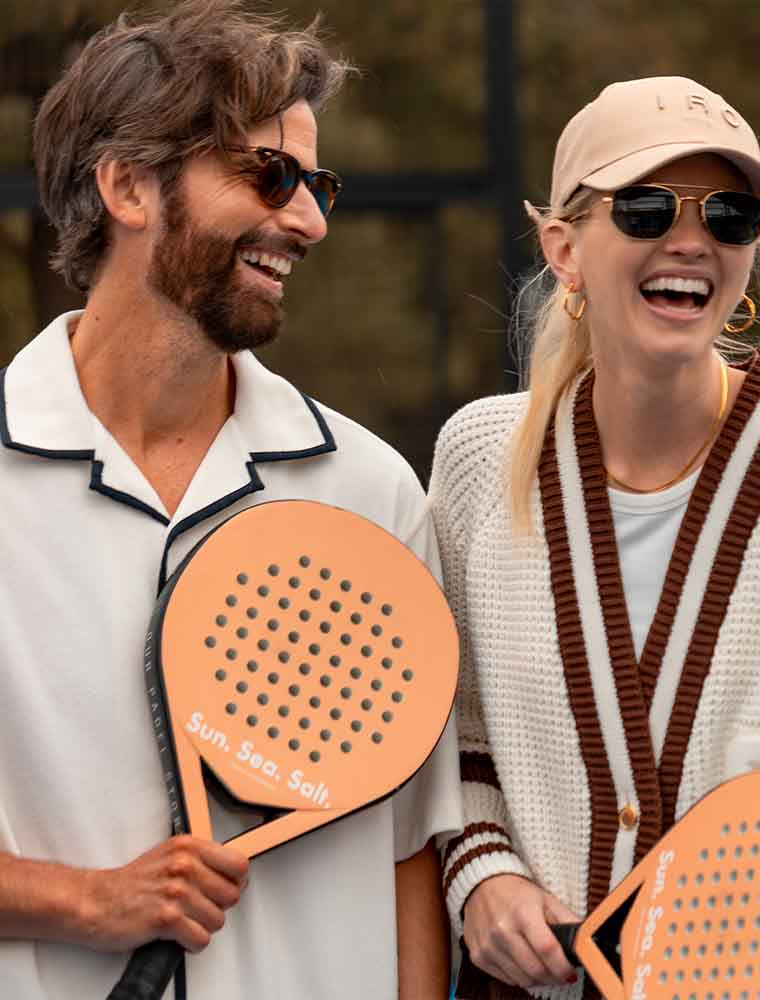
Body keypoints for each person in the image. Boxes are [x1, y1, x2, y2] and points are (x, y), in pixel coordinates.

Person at [0, 3, 460, 997]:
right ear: (128, 185)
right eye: (269, 175)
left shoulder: (372, 490)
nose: (309, 219)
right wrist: (86, 899)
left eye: (318, 182)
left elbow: (409, 849)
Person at [428, 76, 760, 999]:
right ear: (564, 246)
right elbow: (458, 737)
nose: (690, 239)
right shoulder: (477, 457)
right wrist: (480, 872)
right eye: (649, 207)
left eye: (730, 216)